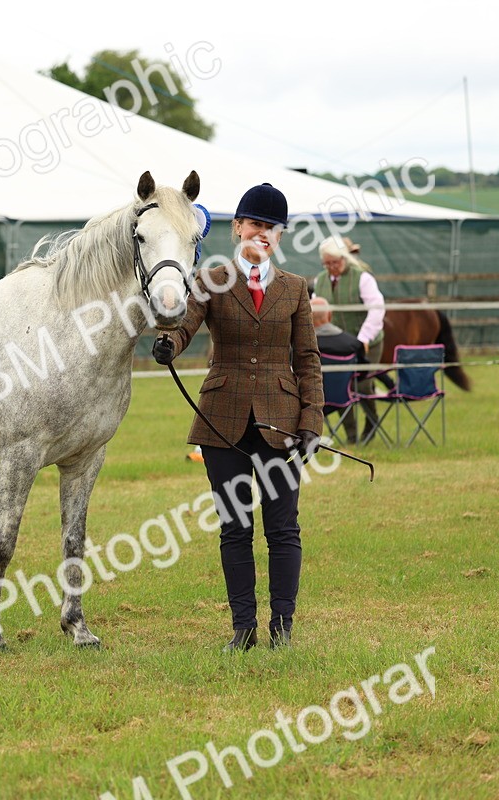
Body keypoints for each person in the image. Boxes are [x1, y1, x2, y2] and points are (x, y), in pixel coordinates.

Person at [153, 183, 323, 651]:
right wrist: (170, 342)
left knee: (283, 528)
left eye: (271, 227)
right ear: (238, 228)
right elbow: (188, 322)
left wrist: (312, 420)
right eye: (255, 224)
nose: (262, 233)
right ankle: (243, 628)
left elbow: (307, 358)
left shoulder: (294, 288)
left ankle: (282, 627)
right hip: (222, 418)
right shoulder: (211, 279)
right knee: (235, 527)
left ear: (280, 235)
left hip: (281, 420)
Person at [311, 235, 385, 443]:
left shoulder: (362, 278)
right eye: (327, 263)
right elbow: (316, 310)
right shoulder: (320, 280)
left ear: (344, 258)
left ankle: (372, 423)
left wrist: (364, 339)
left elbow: (377, 309)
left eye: (335, 262)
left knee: (362, 385)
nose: (331, 267)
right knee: (341, 386)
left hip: (368, 341)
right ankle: (351, 435)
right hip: (339, 344)